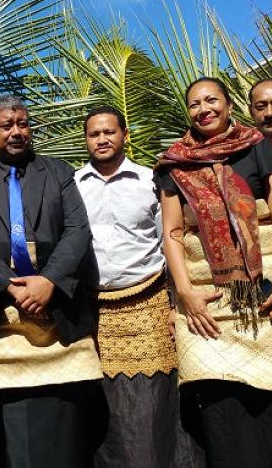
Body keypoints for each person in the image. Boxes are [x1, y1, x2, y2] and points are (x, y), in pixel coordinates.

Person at [154, 78, 272, 467]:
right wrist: (184, 293)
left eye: (212, 100)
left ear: (229, 105)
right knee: (224, 413)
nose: (204, 108)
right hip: (209, 310)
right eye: (195, 103)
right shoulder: (173, 163)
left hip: (270, 299)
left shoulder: (257, 148)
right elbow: (172, 234)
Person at [0, 95, 103, 468]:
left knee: (65, 432)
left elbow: (78, 230)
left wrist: (49, 281)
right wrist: (10, 285)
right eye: (7, 125)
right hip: (0, 310)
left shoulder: (57, 172)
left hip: (59, 310)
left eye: (23, 124)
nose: (17, 131)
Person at [76, 106, 203, 468]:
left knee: (154, 402)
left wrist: (175, 304)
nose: (102, 139)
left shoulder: (152, 181)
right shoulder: (72, 186)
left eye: (109, 132)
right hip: (95, 312)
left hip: (150, 303)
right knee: (104, 405)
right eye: (94, 134)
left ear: (125, 135)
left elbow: (172, 241)